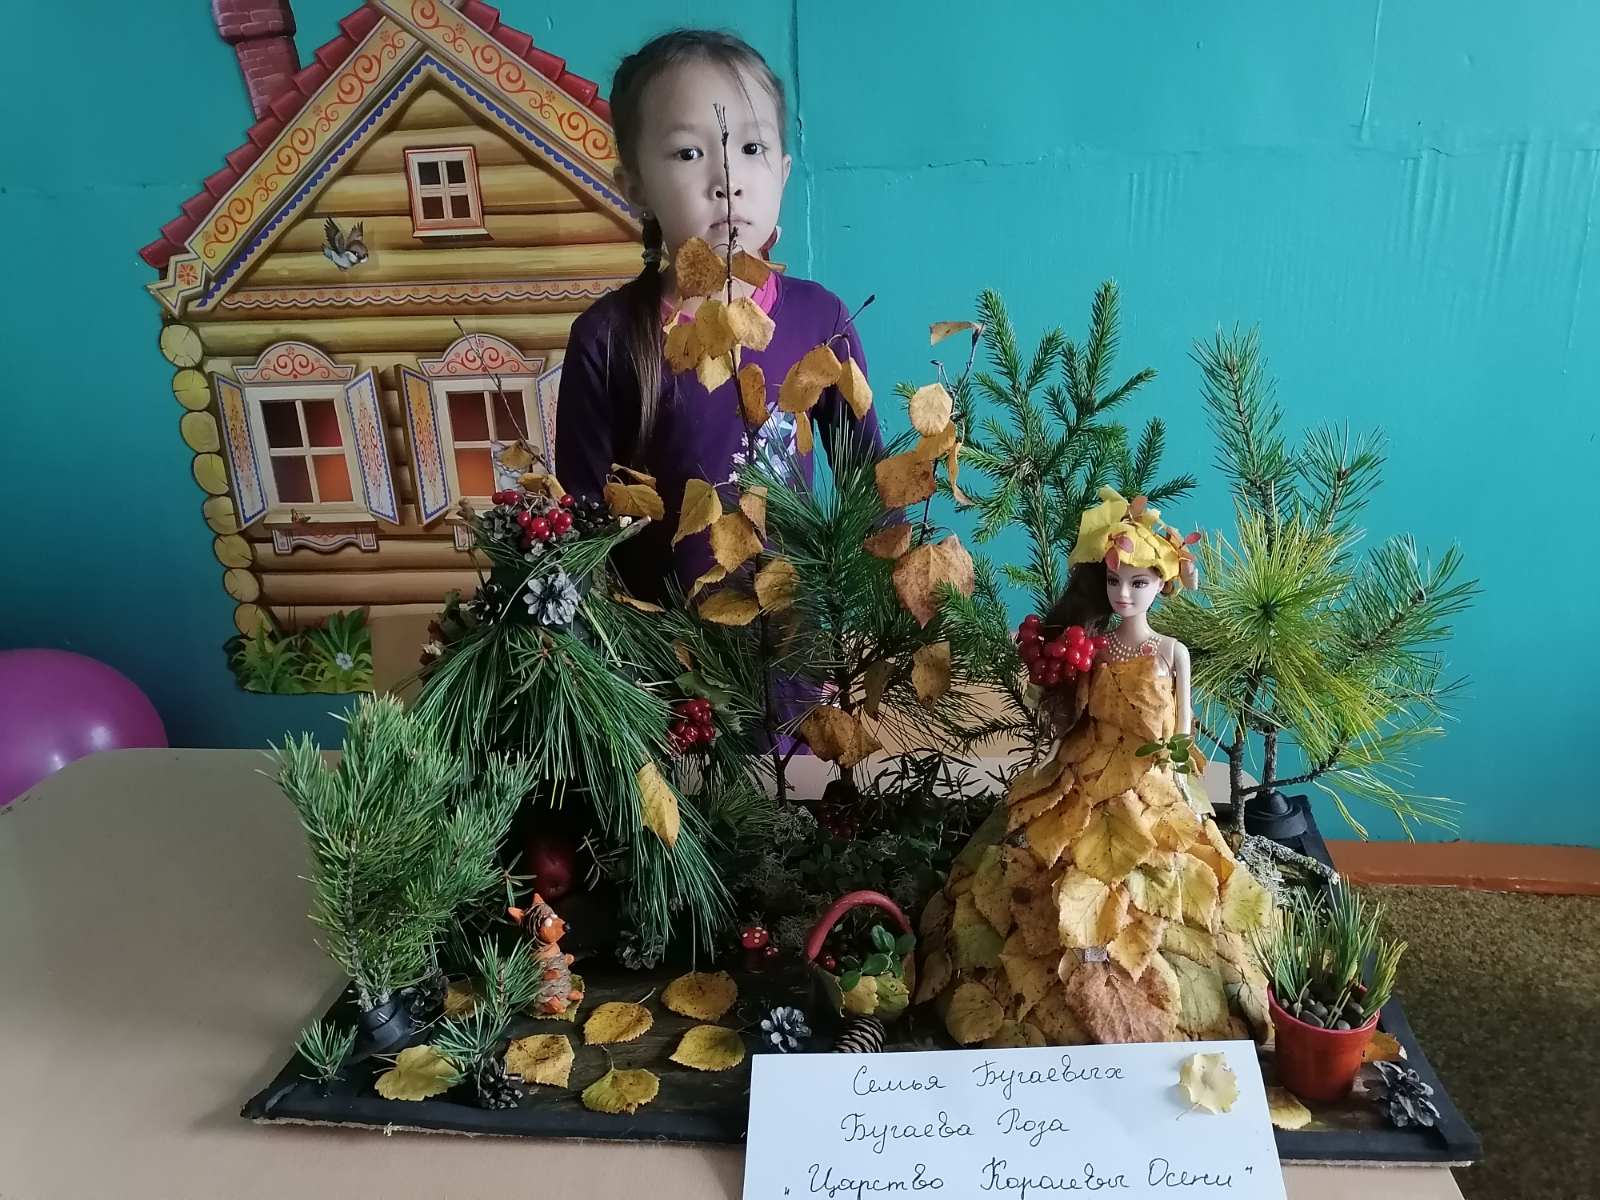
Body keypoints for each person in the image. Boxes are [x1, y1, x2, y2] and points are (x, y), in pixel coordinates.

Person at [919, 488, 1276, 1048]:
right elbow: (1077, 716)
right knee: (1045, 860)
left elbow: (1181, 725)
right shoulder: (1095, 646)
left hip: (1151, 778)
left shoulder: (1170, 652)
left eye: (1139, 582)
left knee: (1165, 871)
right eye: (1114, 581)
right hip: (1085, 772)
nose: (1124, 594)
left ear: (1162, 585)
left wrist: (1179, 778)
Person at [555, 29, 882, 601]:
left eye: (751, 149)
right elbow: (578, 533)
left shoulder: (820, 319)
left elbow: (871, 493)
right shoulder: (605, 339)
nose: (728, 181)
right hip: (659, 649)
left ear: (783, 171)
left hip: (796, 640)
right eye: (689, 153)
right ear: (635, 188)